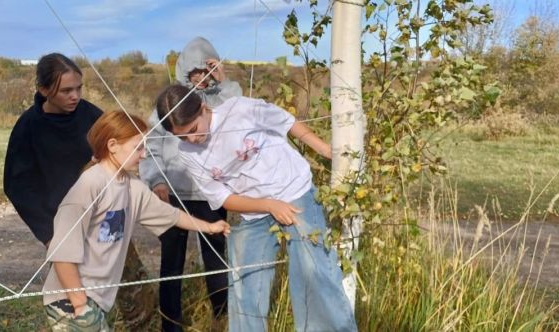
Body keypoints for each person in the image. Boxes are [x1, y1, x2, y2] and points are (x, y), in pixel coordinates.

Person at [155, 85, 358, 332]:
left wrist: (325, 150)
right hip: (253, 211)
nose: (191, 139)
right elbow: (222, 198)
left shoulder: (240, 109)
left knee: (313, 272)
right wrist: (268, 205)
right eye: (181, 136)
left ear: (203, 108)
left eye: (193, 130)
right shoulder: (186, 152)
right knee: (244, 284)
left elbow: (286, 122)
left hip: (294, 191)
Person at [2, 53, 155, 327]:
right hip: (68, 232)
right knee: (76, 306)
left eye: (79, 88)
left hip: (109, 220)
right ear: (44, 90)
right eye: (66, 91)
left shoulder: (91, 115)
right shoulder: (29, 127)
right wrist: (48, 235)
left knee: (136, 293)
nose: (75, 96)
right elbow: (18, 186)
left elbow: (119, 151)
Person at [42, 111, 230, 331]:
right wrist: (80, 302)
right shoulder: (90, 185)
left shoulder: (132, 187)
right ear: (112, 145)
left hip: (96, 299)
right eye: (138, 147)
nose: (143, 155)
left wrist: (208, 226)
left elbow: (170, 214)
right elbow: (63, 253)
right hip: (69, 299)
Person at [139, 36, 241, 331]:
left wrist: (225, 84)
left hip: (210, 194)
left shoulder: (220, 102)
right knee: (171, 263)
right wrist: (157, 182)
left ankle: (221, 316)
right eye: (194, 75)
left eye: (206, 73)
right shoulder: (169, 104)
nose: (200, 80)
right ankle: (170, 323)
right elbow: (150, 149)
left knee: (215, 256)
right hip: (173, 194)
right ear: (183, 74)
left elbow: (240, 114)